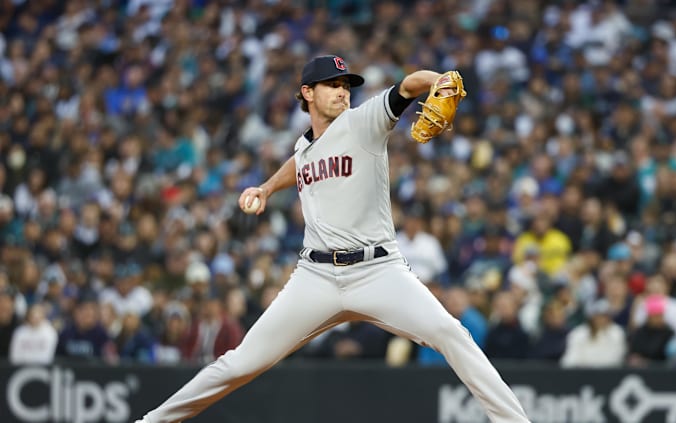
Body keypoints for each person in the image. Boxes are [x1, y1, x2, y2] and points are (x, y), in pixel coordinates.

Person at [136, 56, 529, 422]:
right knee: (239, 364)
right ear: (307, 92)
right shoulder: (303, 145)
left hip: (378, 271)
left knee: (450, 333)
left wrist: (438, 81)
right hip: (316, 277)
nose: (343, 91)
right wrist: (268, 187)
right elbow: (302, 159)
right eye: (332, 84)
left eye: (346, 85)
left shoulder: (363, 122)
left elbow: (408, 87)